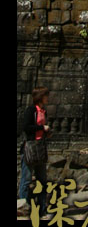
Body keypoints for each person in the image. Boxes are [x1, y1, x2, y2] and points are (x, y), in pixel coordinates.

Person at [18, 87, 51, 216]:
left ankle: (42, 208)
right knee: (26, 179)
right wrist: (42, 127)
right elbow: (26, 127)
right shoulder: (31, 110)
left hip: (40, 148)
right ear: (40, 97)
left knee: (42, 180)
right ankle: (23, 208)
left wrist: (46, 132)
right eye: (46, 96)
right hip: (30, 148)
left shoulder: (43, 111)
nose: (48, 98)